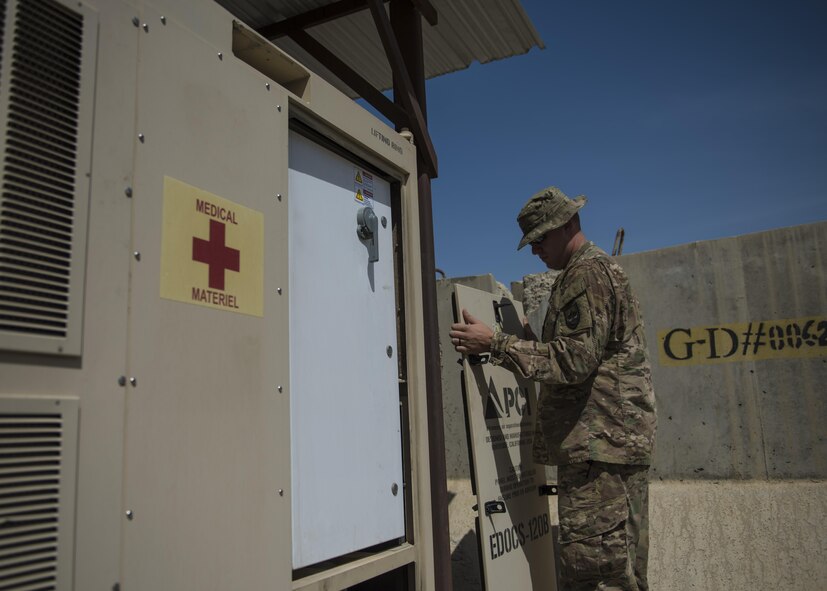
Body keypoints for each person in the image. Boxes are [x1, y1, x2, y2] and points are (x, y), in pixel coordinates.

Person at [449, 186, 657, 590]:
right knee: (621, 571)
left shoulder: (586, 274)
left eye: (540, 239)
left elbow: (573, 361)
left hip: (598, 452)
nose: (535, 251)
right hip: (609, 450)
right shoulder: (590, 272)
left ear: (568, 225)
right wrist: (527, 337)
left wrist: (494, 343)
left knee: (595, 575)